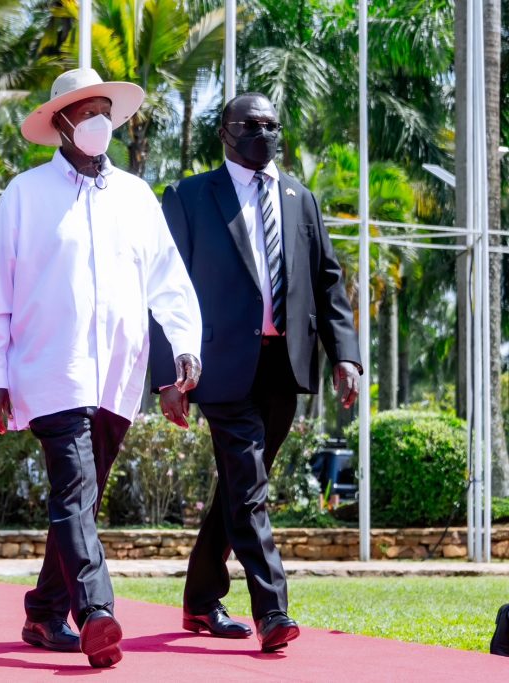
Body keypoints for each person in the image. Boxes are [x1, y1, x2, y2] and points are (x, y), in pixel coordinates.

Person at [0, 68, 203, 669]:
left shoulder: (136, 197)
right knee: (73, 490)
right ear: (62, 123)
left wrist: (183, 347)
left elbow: (168, 281)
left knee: (80, 501)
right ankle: (96, 611)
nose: (98, 119)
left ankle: (44, 613)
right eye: (85, 109)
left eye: (105, 108)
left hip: (118, 377)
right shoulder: (26, 193)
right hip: (51, 371)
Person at [150, 92, 362, 653]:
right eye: (252, 125)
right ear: (226, 132)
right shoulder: (191, 197)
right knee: (249, 490)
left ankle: (199, 599)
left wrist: (345, 354)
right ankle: (272, 610)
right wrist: (166, 377)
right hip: (218, 366)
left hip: (283, 367)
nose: (264, 135)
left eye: (273, 126)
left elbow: (328, 281)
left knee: (241, 487)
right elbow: (161, 290)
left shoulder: (299, 197)